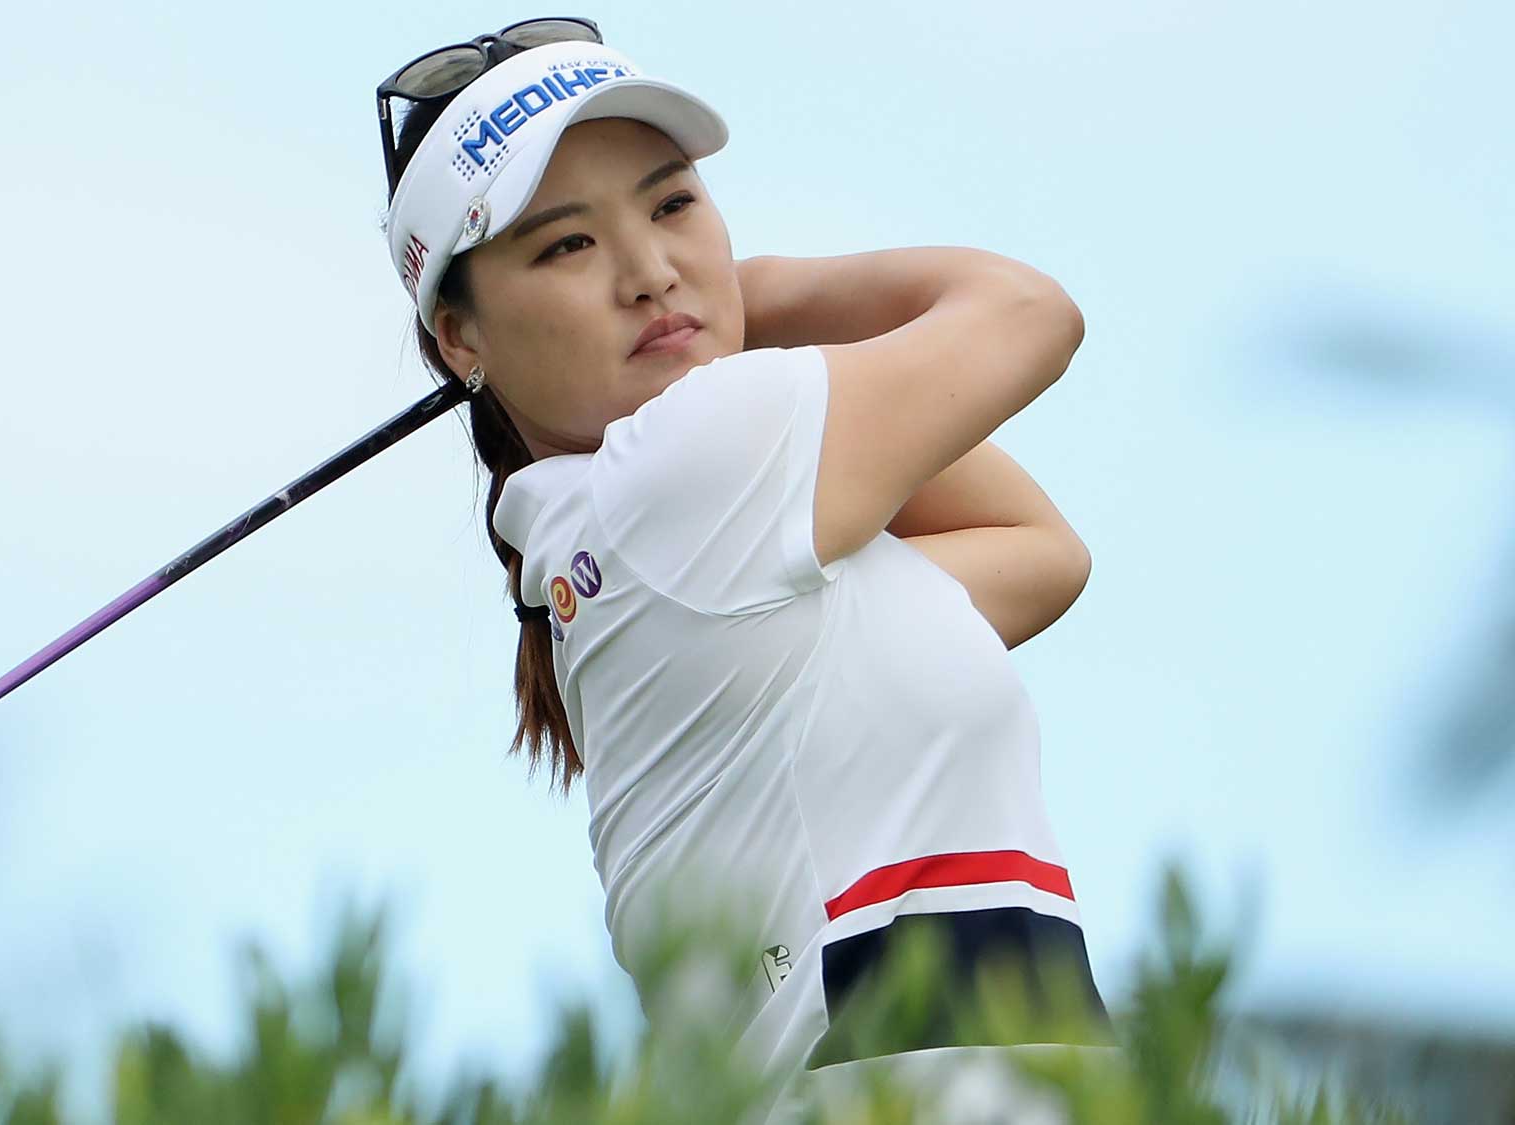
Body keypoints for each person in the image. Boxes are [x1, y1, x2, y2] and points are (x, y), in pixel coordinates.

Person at [377, 19, 1112, 1121]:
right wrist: (754, 298)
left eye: (673, 206)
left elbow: (1039, 557)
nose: (649, 272)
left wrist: (711, 320)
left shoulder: (636, 543)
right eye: (566, 245)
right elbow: (1028, 312)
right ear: (458, 340)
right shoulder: (684, 469)